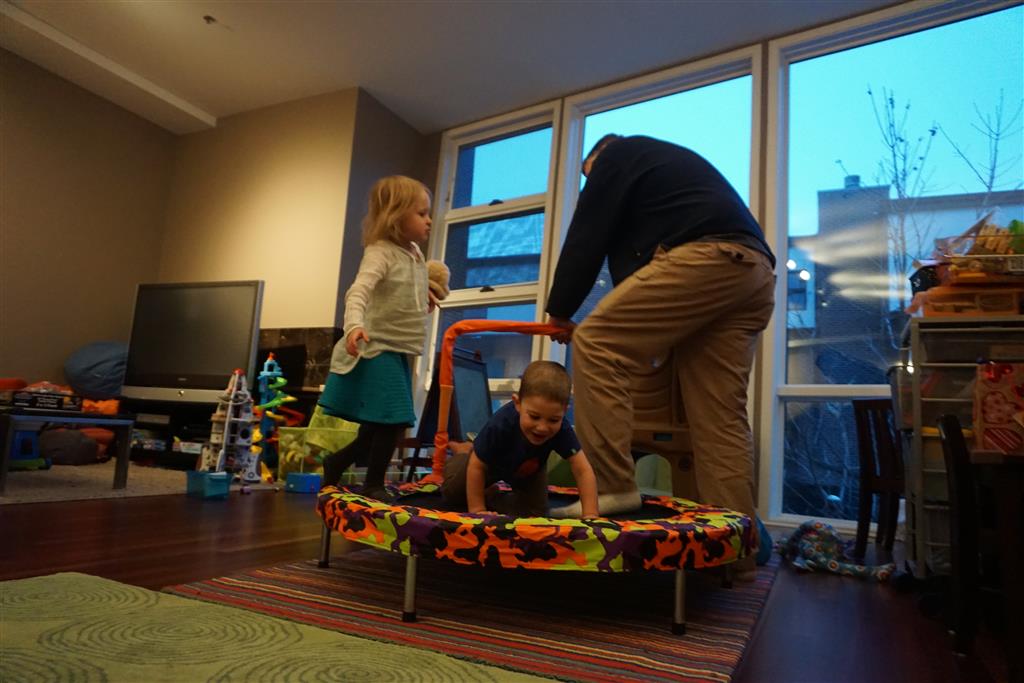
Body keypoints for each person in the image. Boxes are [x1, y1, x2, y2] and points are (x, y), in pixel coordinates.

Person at [544, 134, 775, 574]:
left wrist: (560, 310)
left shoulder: (616, 155)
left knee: (595, 342)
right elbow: (636, 276)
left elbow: (588, 234)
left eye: (589, 177)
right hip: (753, 273)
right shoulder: (665, 182)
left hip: (709, 258)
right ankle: (736, 551)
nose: (592, 185)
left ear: (598, 158)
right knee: (719, 418)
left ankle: (611, 487)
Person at [318, 175, 438, 502]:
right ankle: (373, 483)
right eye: (421, 213)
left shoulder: (413, 253)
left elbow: (402, 288)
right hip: (375, 347)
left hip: (396, 348)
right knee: (393, 418)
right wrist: (354, 326)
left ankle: (338, 461)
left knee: (378, 424)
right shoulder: (380, 253)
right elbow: (359, 291)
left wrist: (422, 296)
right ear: (395, 217)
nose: (429, 220)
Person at [441, 360, 599, 518]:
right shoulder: (501, 423)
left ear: (564, 411)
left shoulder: (562, 428)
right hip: (489, 464)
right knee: (452, 494)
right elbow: (477, 466)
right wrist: (478, 510)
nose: (542, 427)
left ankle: (492, 495)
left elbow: (582, 470)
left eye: (553, 420)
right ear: (517, 403)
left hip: (530, 470)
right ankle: (462, 452)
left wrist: (591, 514)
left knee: (536, 513)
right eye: (534, 417)